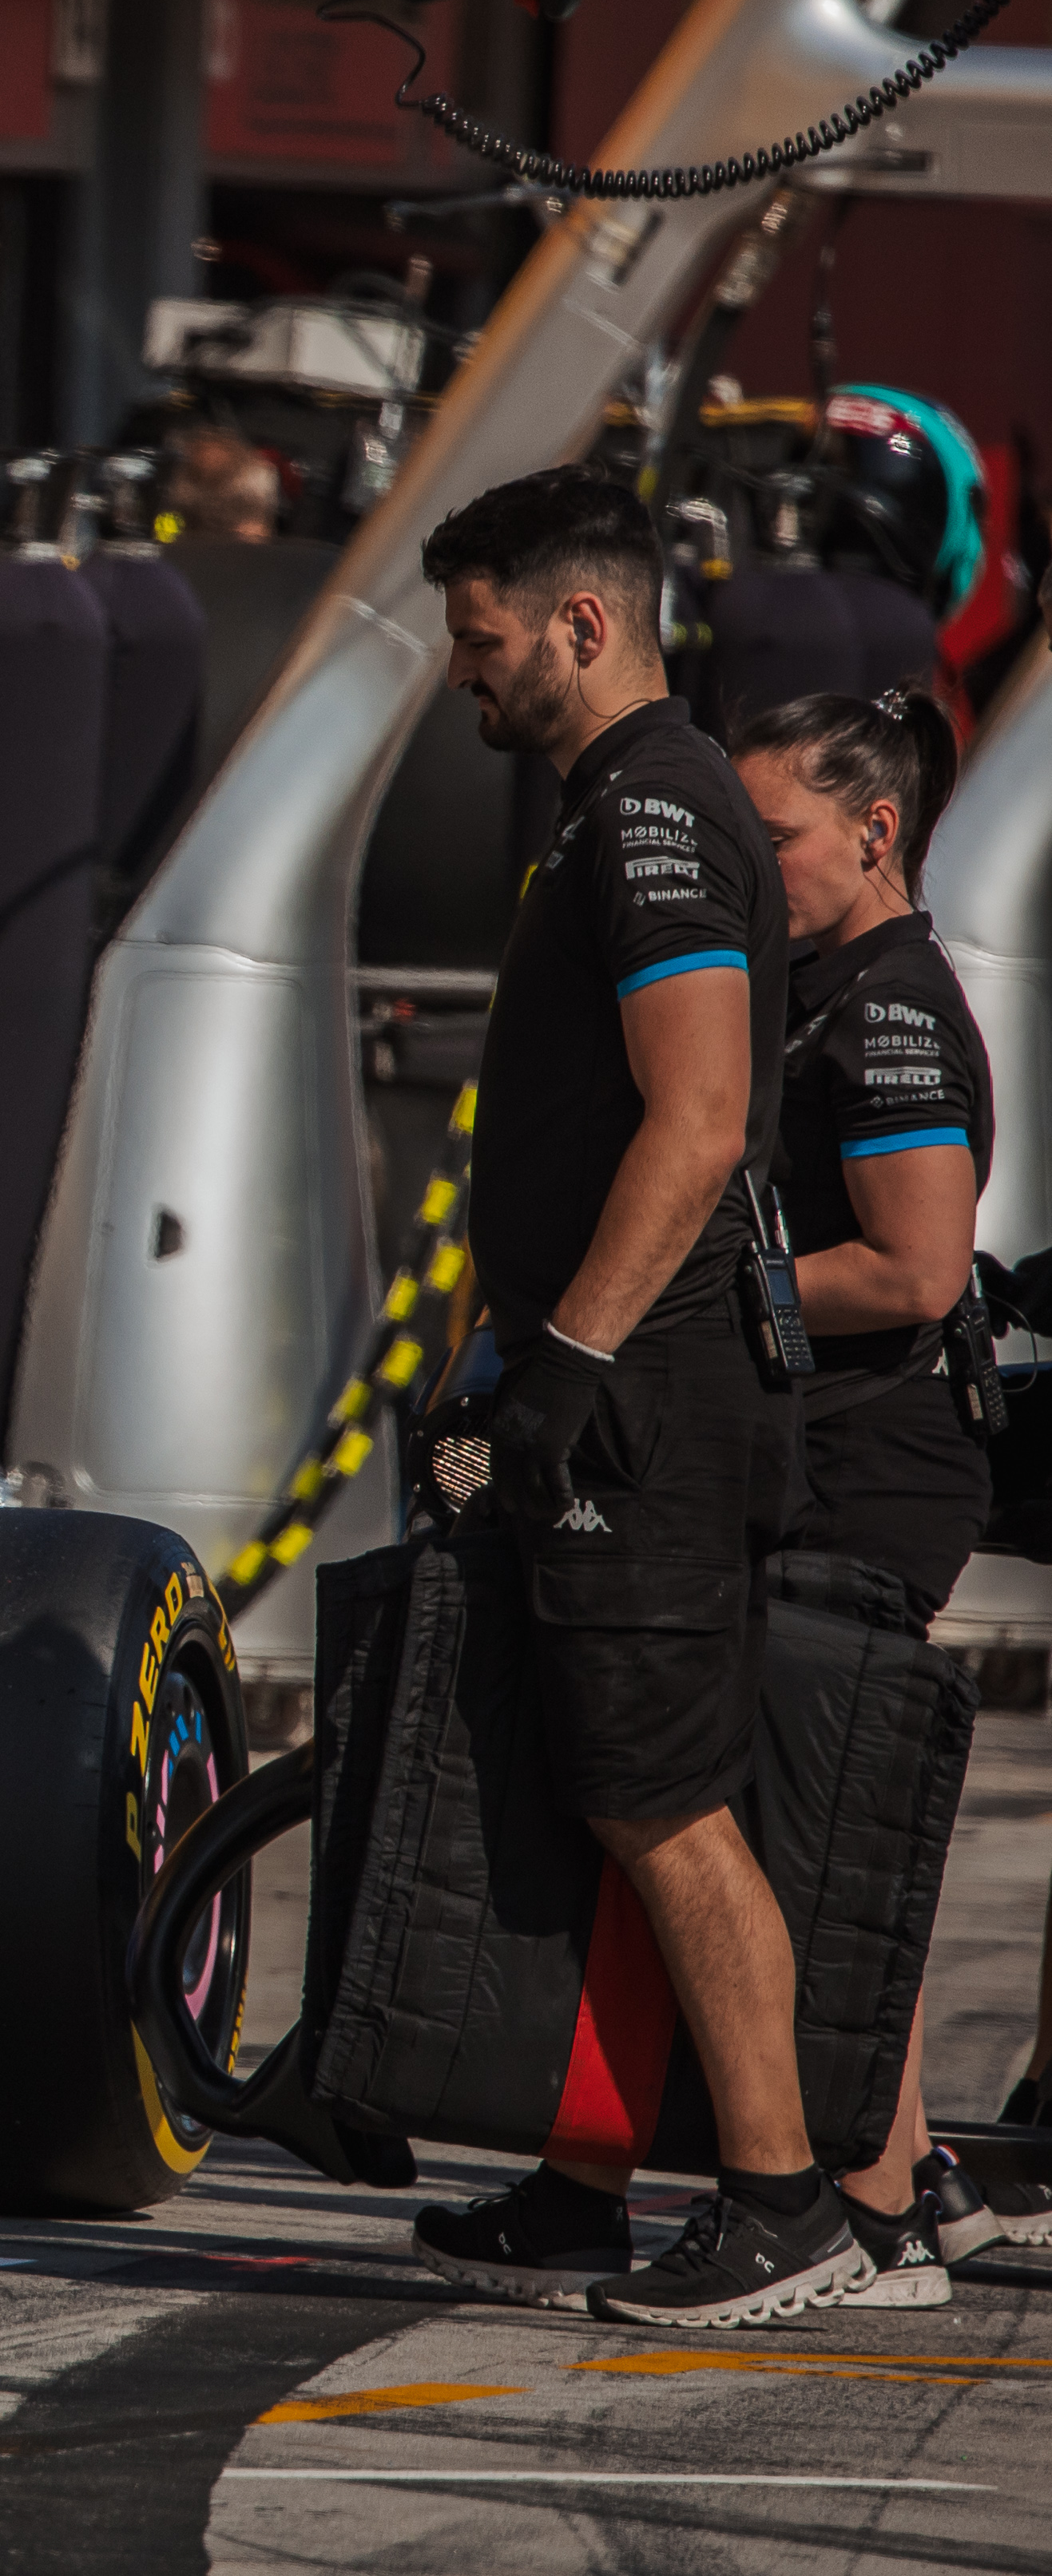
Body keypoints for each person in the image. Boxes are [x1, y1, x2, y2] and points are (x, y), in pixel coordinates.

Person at [403, 465, 859, 2325]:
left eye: (482, 639)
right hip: (611, 1372)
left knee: (665, 1798)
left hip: (649, 1396)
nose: (465, 677)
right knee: (608, 1788)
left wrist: (569, 1362)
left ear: (584, 624)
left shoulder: (660, 810)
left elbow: (701, 1114)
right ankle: (582, 2188)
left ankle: (784, 2207)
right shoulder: (617, 807)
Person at [729, 685, 1009, 2298]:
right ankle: (903, 2175)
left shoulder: (888, 1001)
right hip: (819, 1459)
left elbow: (911, 1264)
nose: (752, 869)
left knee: (825, 1841)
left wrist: (712, 1290)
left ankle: (880, 2199)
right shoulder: (808, 981)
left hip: (871, 1472)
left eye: (772, 837)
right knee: (822, 1837)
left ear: (870, 827)